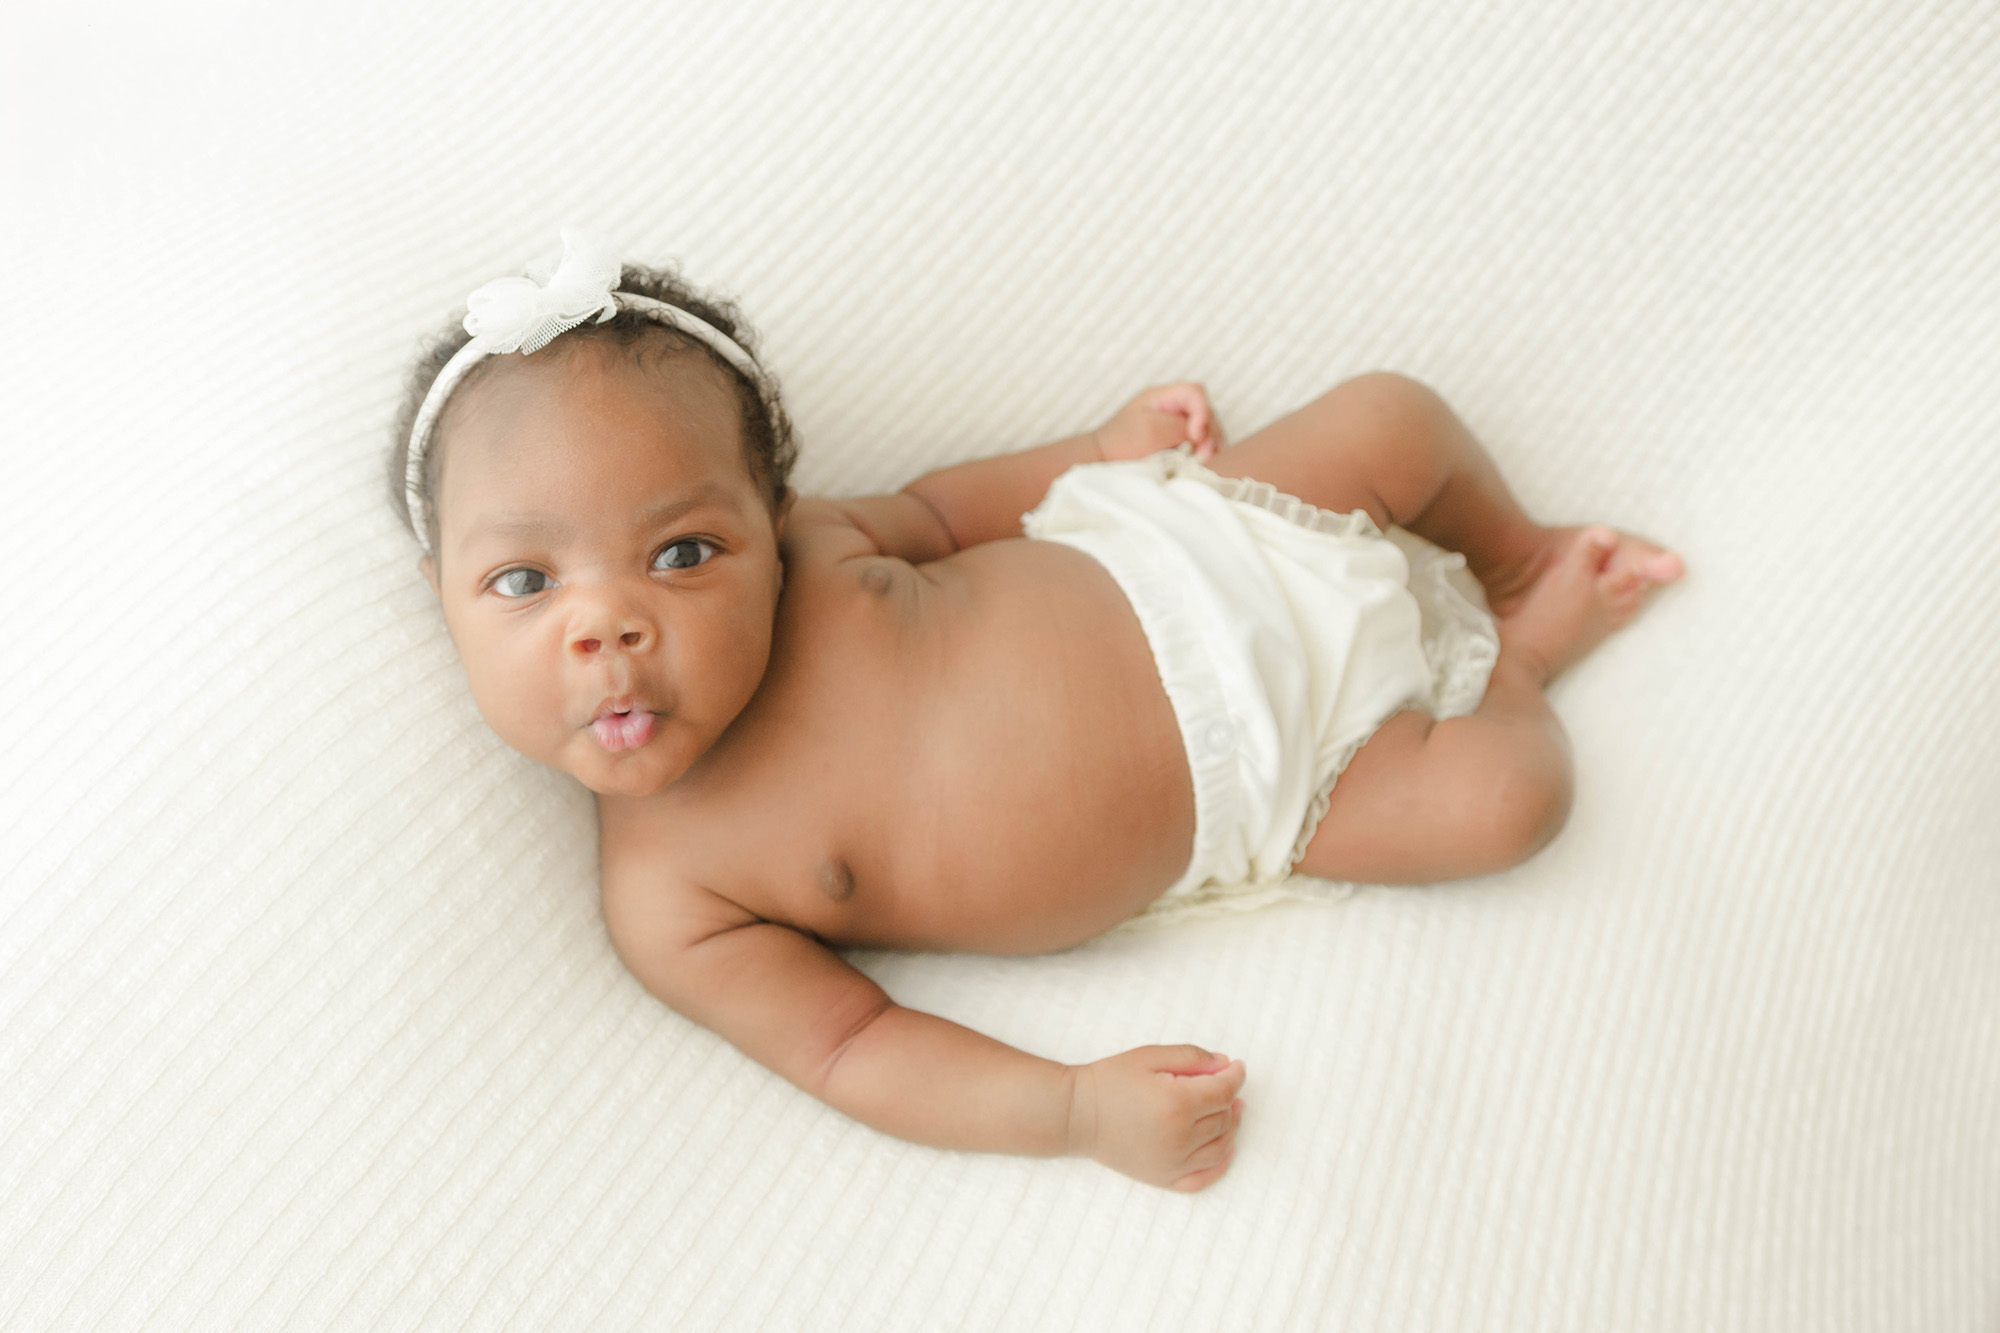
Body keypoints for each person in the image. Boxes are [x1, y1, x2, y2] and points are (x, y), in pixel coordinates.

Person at [391, 230, 1684, 1193]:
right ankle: (1517, 657)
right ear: (444, 603)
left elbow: (954, 511)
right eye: (522, 579)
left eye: (682, 553)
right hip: (1279, 781)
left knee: (1392, 416)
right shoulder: (673, 896)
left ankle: (1512, 554)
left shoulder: (826, 551)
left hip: (1197, 545)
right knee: (1514, 801)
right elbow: (854, 1045)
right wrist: (1070, 1108)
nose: (607, 623)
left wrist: (1102, 448)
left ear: (768, 521)